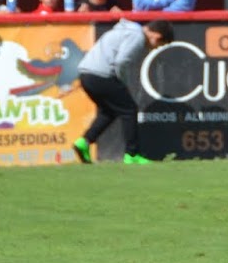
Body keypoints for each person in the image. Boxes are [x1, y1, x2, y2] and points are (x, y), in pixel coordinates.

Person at [71, 18, 174, 165]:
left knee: (109, 111)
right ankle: (132, 154)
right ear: (156, 36)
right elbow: (121, 61)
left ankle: (84, 142)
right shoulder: (137, 36)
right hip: (102, 75)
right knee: (129, 110)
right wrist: (122, 82)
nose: (154, 49)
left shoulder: (124, 31)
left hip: (86, 75)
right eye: (159, 45)